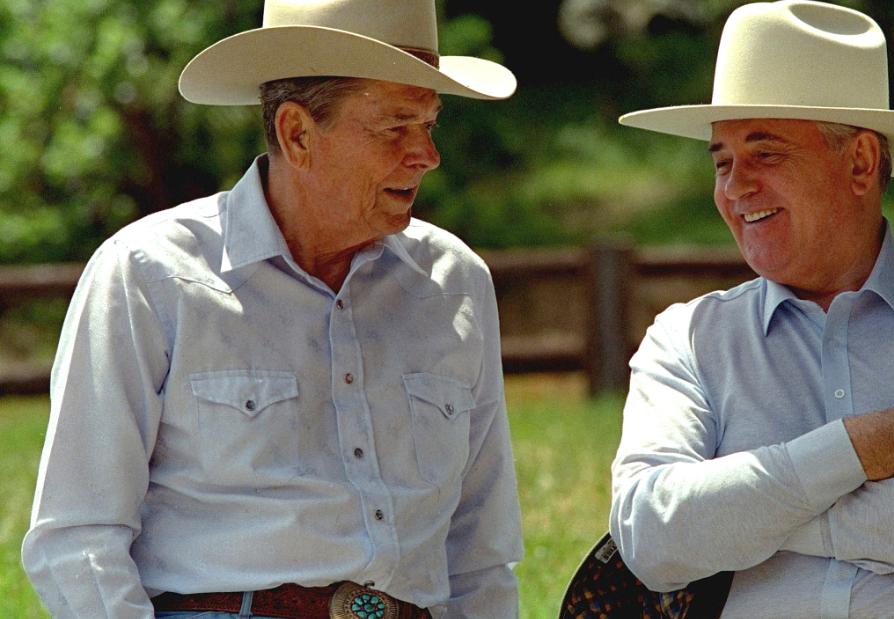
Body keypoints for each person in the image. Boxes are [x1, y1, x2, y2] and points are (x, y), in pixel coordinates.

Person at [22, 1, 523, 617]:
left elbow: (481, 550)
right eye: (395, 126)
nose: (426, 154)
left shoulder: (455, 283)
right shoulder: (150, 274)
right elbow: (77, 535)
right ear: (297, 134)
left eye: (429, 124)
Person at [609, 1, 894, 617]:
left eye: (765, 154)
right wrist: (855, 450)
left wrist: (745, 513)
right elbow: (649, 535)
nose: (735, 186)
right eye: (722, 161)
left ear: (860, 162)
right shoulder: (686, 339)